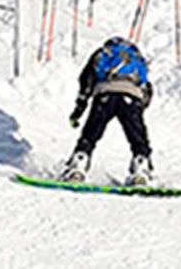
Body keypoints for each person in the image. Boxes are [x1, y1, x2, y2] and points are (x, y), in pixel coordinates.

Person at [59, 36, 154, 185]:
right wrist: (138, 110)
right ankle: (141, 170)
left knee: (90, 135)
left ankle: (77, 167)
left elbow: (86, 81)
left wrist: (79, 110)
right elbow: (146, 87)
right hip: (131, 96)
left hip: (104, 95)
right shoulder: (136, 58)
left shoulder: (102, 53)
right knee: (138, 139)